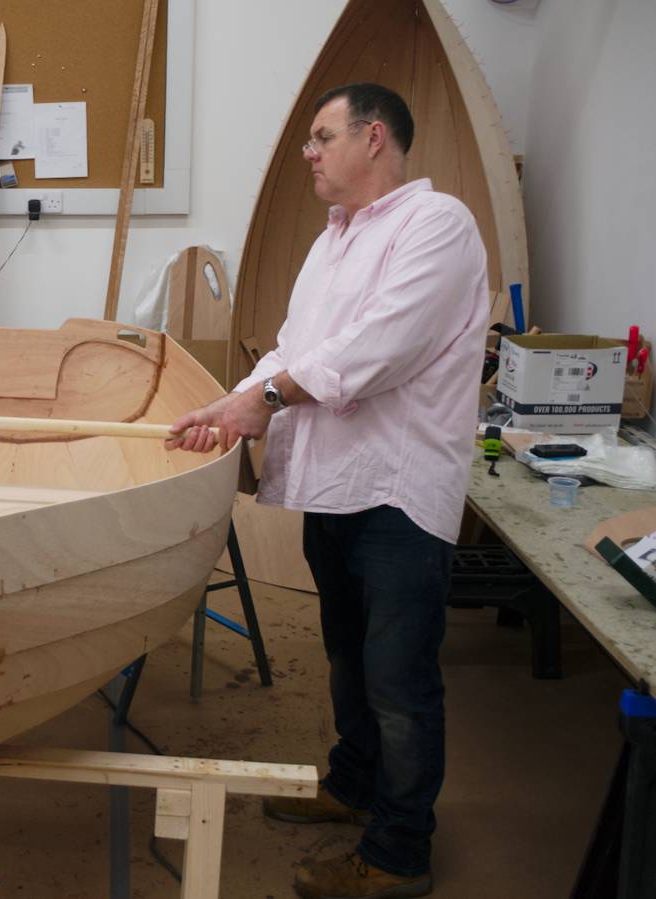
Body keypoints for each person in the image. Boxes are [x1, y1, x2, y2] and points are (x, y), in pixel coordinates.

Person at [168, 83, 488, 899]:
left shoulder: (437, 227)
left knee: (399, 679)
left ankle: (398, 851)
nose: (308, 152)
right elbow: (293, 349)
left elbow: (374, 351)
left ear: (373, 138)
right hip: (336, 486)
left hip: (398, 491)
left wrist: (260, 404)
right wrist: (225, 403)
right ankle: (354, 784)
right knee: (348, 654)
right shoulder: (333, 239)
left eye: (322, 136)